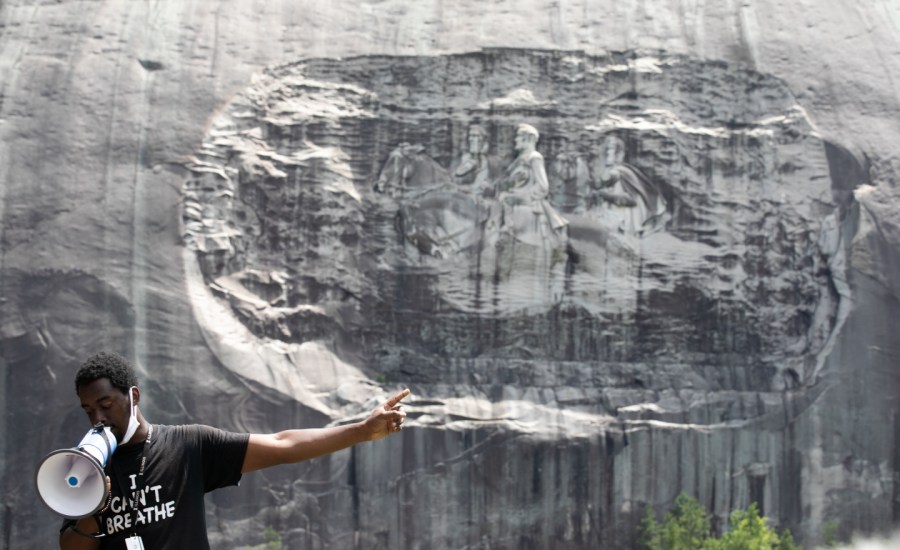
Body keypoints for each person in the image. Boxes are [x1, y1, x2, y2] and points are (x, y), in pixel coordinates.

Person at [58, 351, 409, 550]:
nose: (98, 417)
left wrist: (362, 431)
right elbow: (73, 548)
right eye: (89, 410)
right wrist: (93, 501)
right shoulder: (87, 465)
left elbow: (282, 445)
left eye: (106, 404)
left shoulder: (187, 445)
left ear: (133, 397)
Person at [491, 123, 568, 247]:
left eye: (518, 136)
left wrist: (520, 197)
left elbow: (543, 186)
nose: (515, 140)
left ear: (529, 139)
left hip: (528, 203)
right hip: (511, 202)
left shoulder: (534, 158)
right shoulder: (519, 160)